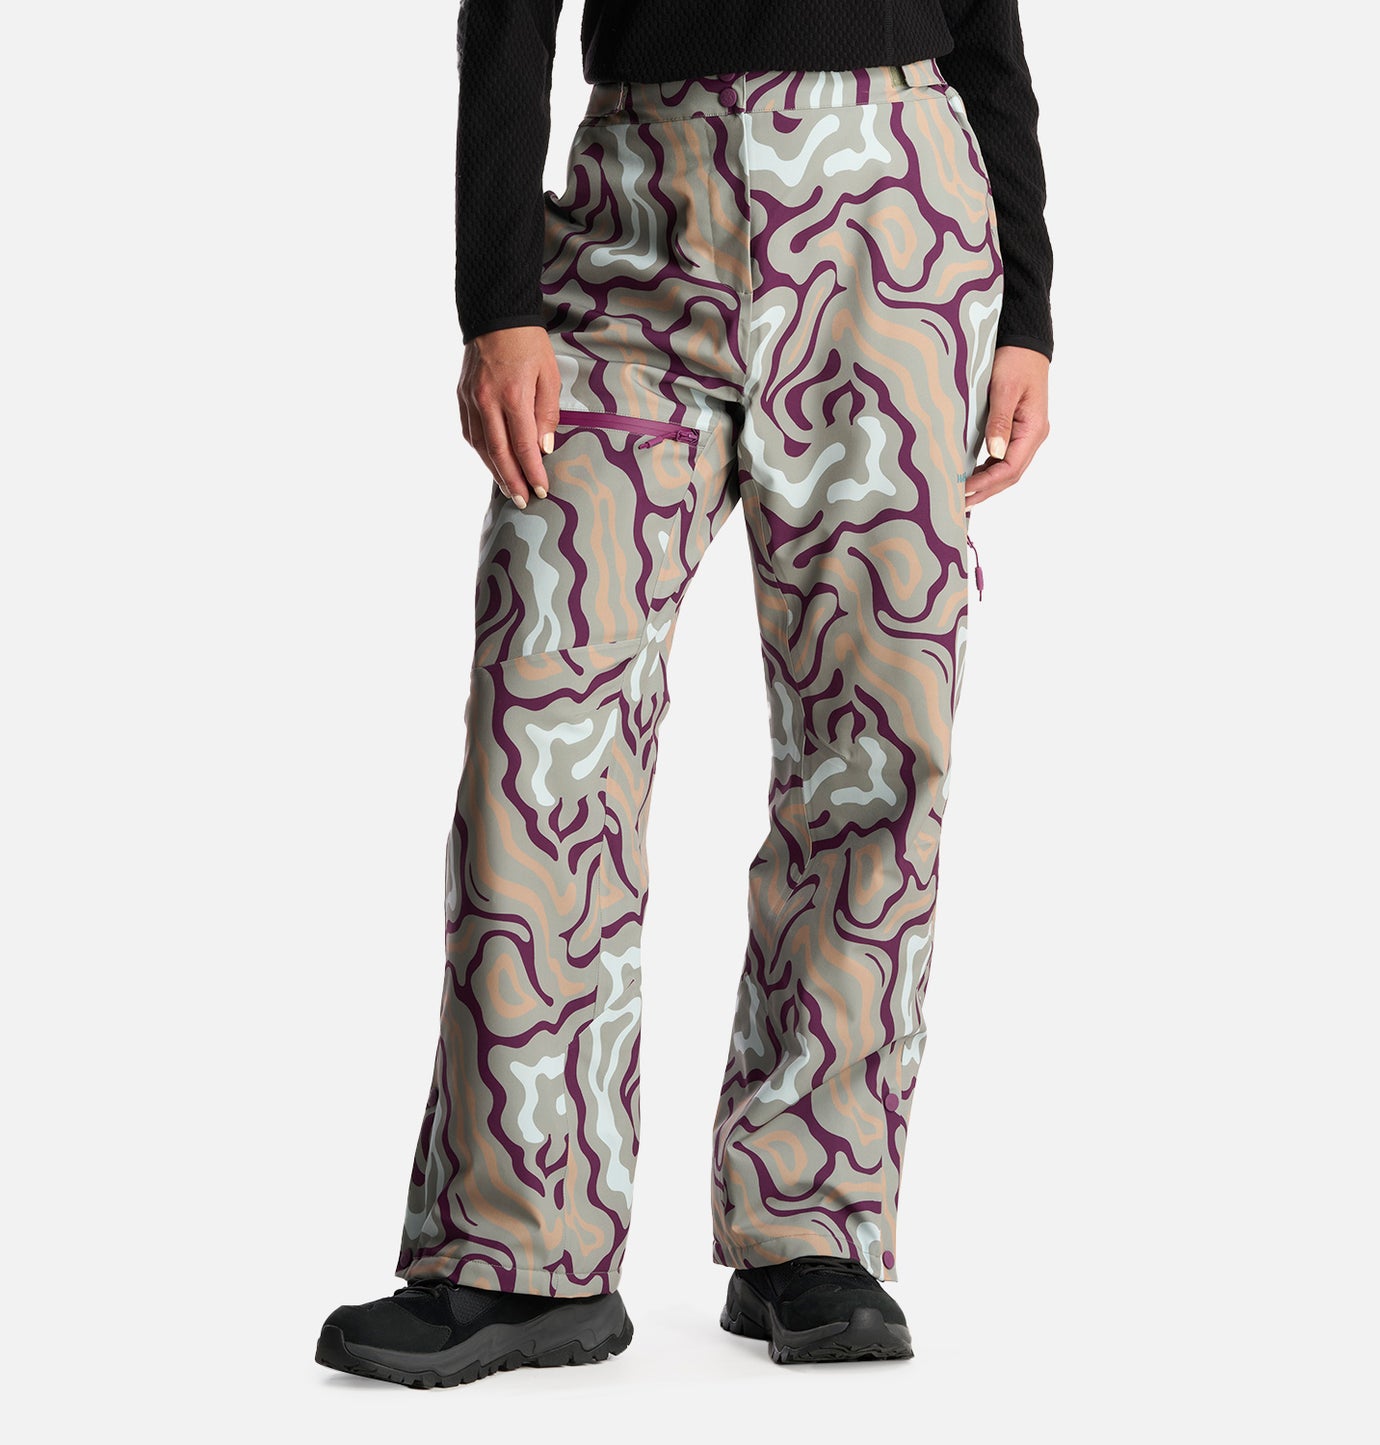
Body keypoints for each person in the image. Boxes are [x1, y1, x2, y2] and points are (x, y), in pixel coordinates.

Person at [316, 0, 1052, 1386]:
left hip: (894, 210)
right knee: (543, 706)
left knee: (877, 736)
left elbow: (986, 17)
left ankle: (811, 1219)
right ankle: (517, 1245)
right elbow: (507, 14)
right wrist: (498, 300)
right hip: (634, 218)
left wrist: (1031, 312)